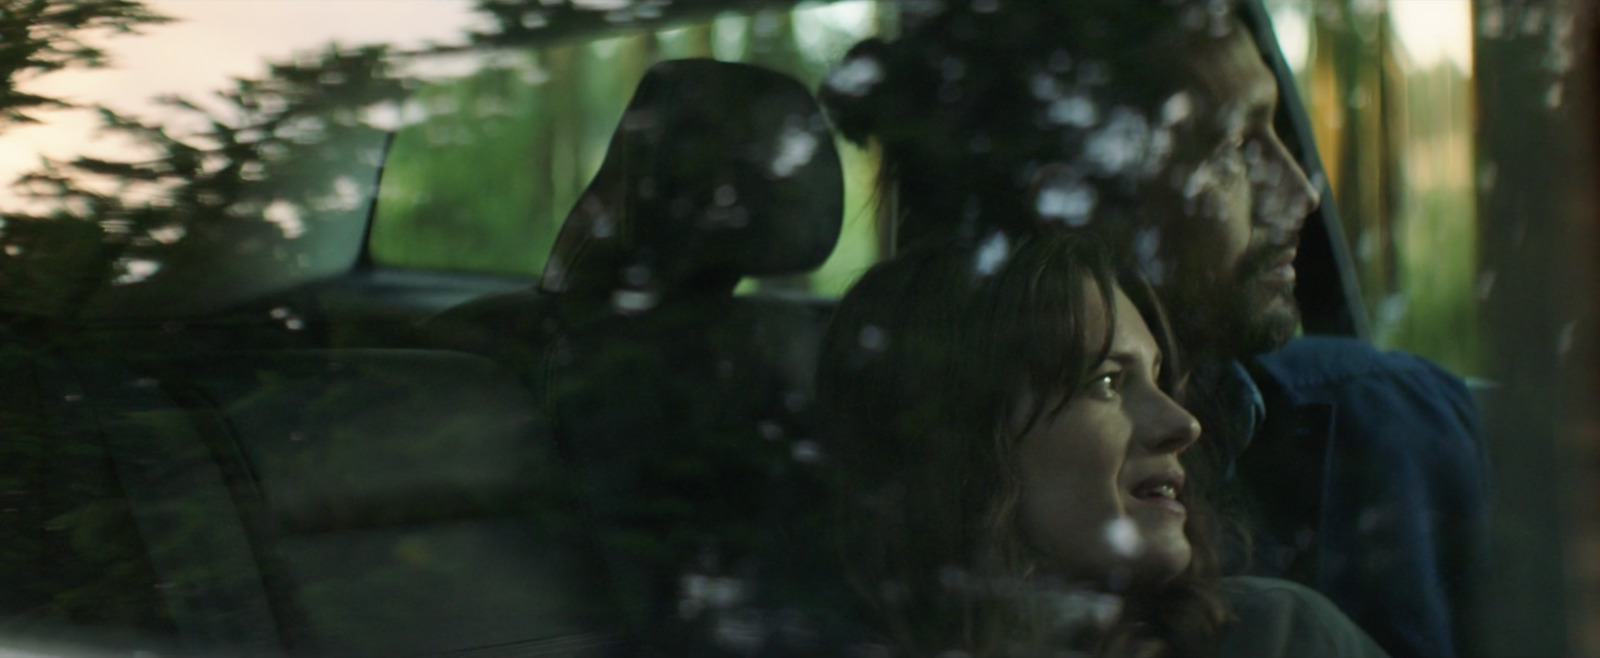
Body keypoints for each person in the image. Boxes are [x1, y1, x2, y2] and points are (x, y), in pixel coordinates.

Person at [817, 3, 1487, 657]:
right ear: (1071, 205)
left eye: (1155, 376)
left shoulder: (1389, 424)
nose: (1298, 190)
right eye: (1230, 147)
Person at [817, 229, 1387, 657]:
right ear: (961, 442)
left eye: (1160, 379)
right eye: (1107, 382)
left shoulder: (1279, 640)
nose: (1183, 424)